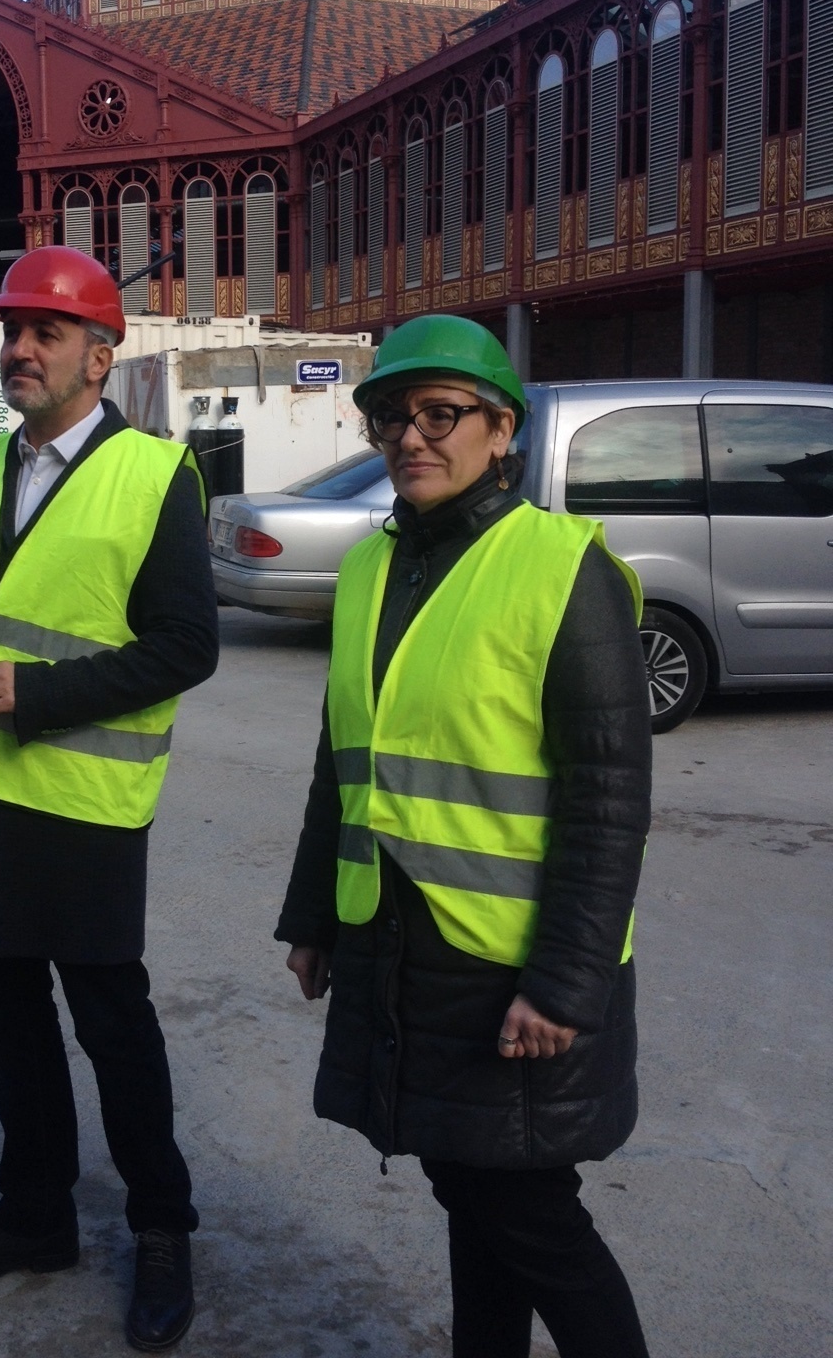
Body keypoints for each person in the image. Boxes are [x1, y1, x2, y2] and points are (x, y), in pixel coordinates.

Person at [276, 315, 653, 1358]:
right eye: (391, 417)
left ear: (502, 431)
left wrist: (564, 983)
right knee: (471, 1190)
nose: (411, 436)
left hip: (508, 968)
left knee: (530, 1220)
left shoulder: (560, 570)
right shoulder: (372, 569)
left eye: (440, 413)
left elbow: (609, 800)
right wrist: (315, 918)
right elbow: (343, 760)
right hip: (399, 943)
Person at [0, 246, 217, 1354]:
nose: (21, 350)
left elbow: (186, 646)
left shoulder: (155, 476)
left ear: (101, 354)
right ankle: (36, 1218)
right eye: (12, 331)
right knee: (7, 1021)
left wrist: (35, 694)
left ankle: (163, 1230)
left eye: (46, 331)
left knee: (113, 1030)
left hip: (83, 805)